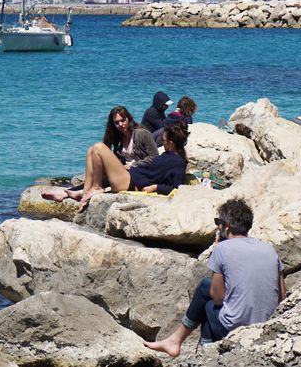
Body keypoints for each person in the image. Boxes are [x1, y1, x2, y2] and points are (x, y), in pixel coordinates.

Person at [145, 199, 285, 357]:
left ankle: (185, 345)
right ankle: (196, 350)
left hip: (236, 330)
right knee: (210, 303)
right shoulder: (269, 249)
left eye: (218, 222)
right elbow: (281, 296)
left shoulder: (222, 249)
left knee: (206, 291)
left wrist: (218, 247)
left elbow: (217, 297)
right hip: (265, 328)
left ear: (226, 226)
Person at [42, 122, 190, 210]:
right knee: (91, 150)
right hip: (130, 176)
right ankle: (72, 192)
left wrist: (156, 187)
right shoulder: (167, 156)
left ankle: (94, 189)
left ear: (171, 142)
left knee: (99, 147)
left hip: (131, 182)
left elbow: (177, 188)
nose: (162, 142)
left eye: (163, 140)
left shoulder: (178, 163)